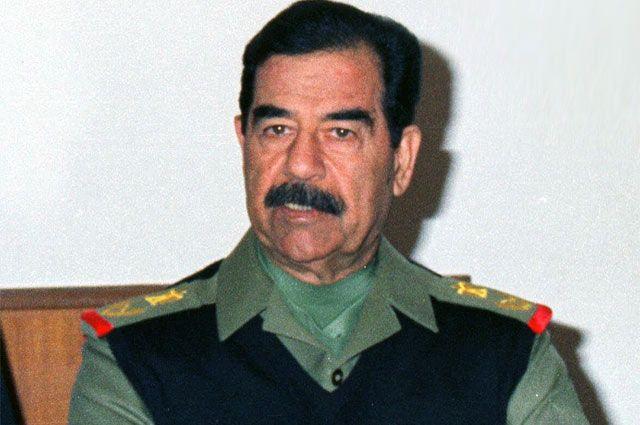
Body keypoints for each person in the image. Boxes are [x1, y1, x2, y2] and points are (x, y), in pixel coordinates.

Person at [69, 1, 588, 424]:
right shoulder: (137, 359)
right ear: (244, 143)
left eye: (340, 133)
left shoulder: (504, 357)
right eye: (277, 130)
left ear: (401, 160)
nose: (301, 164)